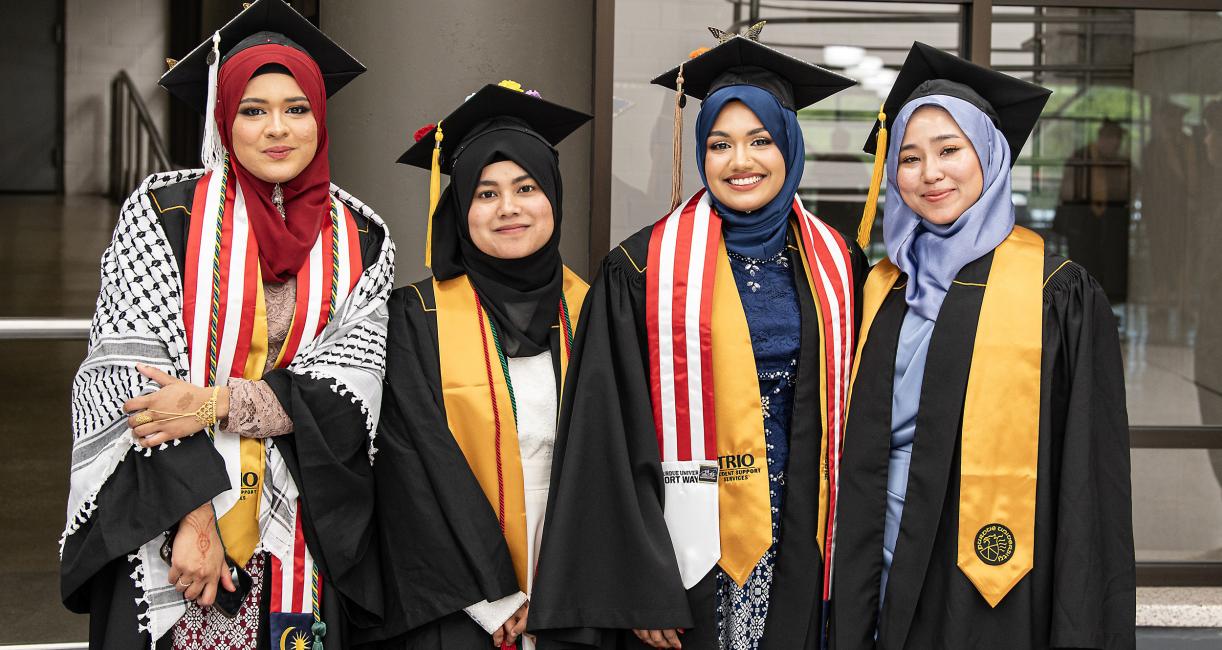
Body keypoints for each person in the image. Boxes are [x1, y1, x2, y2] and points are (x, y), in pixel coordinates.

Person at [60, 1, 394, 646]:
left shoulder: (360, 234)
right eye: (253, 109)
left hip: (301, 519)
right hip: (171, 524)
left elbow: (351, 386)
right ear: (224, 117)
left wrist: (212, 403)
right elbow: (129, 378)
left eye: (297, 109)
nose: (278, 129)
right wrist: (194, 520)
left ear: (320, 120)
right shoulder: (165, 213)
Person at [529, 27, 867, 649]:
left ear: (790, 146)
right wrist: (641, 582)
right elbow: (608, 434)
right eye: (719, 145)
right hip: (685, 559)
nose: (740, 163)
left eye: (760, 141)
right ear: (698, 153)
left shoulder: (842, 265)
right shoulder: (640, 270)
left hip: (806, 542)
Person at [829, 42, 1134, 649]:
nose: (930, 173)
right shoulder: (879, 288)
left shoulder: (1055, 293)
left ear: (990, 156)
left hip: (985, 564)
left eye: (949, 150)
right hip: (875, 551)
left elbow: (1086, 474)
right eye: (909, 158)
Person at [357, 82, 592, 650]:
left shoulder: (595, 309)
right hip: (461, 594)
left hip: (580, 576)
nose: (508, 208)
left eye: (526, 187)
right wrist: (495, 597)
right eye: (485, 194)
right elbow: (413, 463)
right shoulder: (415, 317)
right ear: (460, 209)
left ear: (553, 197)